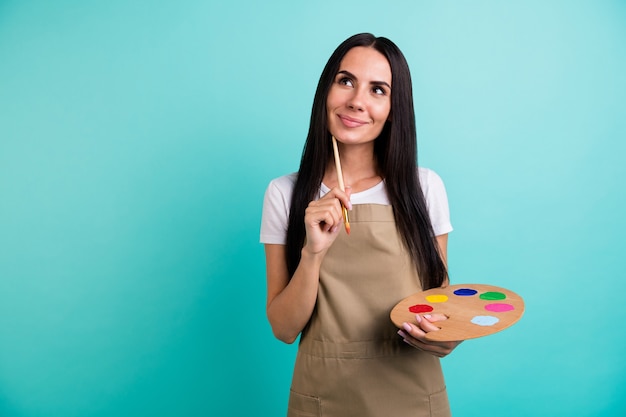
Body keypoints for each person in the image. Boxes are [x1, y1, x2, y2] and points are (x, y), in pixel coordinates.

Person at [260, 33, 461, 417]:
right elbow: (284, 329)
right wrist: (312, 253)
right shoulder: (284, 194)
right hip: (323, 398)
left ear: (393, 108)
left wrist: (444, 337)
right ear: (326, 90)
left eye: (378, 90)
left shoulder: (426, 188)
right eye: (346, 80)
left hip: (414, 396)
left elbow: (440, 307)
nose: (357, 101)